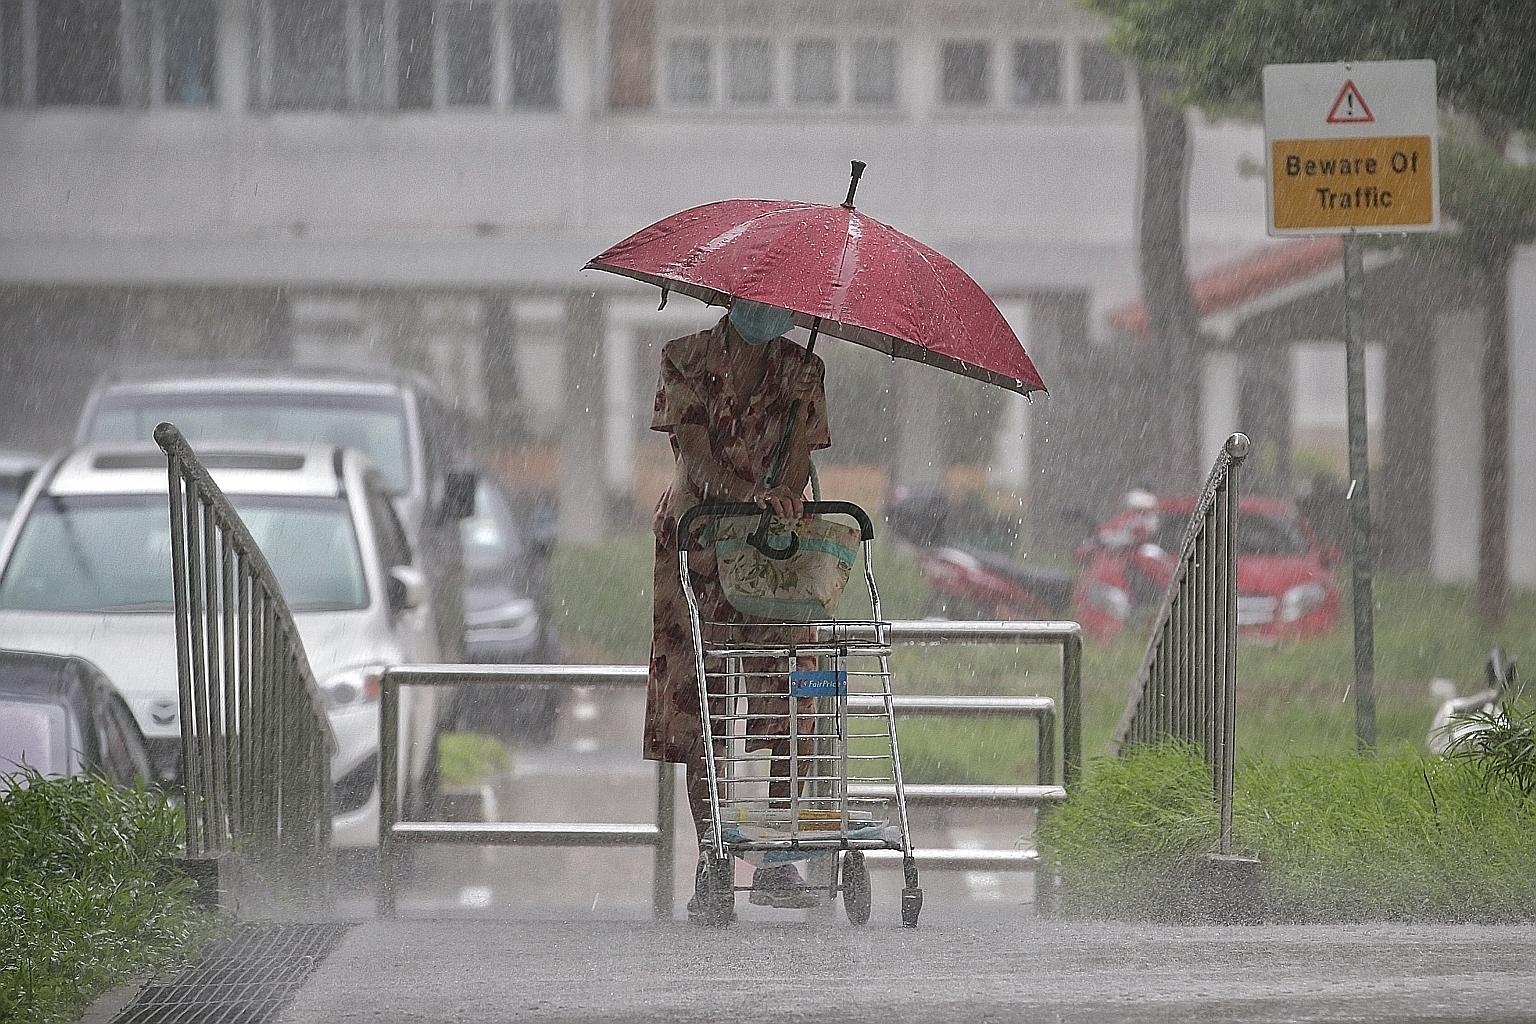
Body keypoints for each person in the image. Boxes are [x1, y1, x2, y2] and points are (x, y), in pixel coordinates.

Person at [646, 298, 832, 918]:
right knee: (703, 705)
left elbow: (802, 458)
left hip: (772, 552)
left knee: (788, 696)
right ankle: (713, 859)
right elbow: (694, 457)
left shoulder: (804, 370)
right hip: (698, 542)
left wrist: (782, 493)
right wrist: (749, 494)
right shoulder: (684, 362)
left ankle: (778, 854)